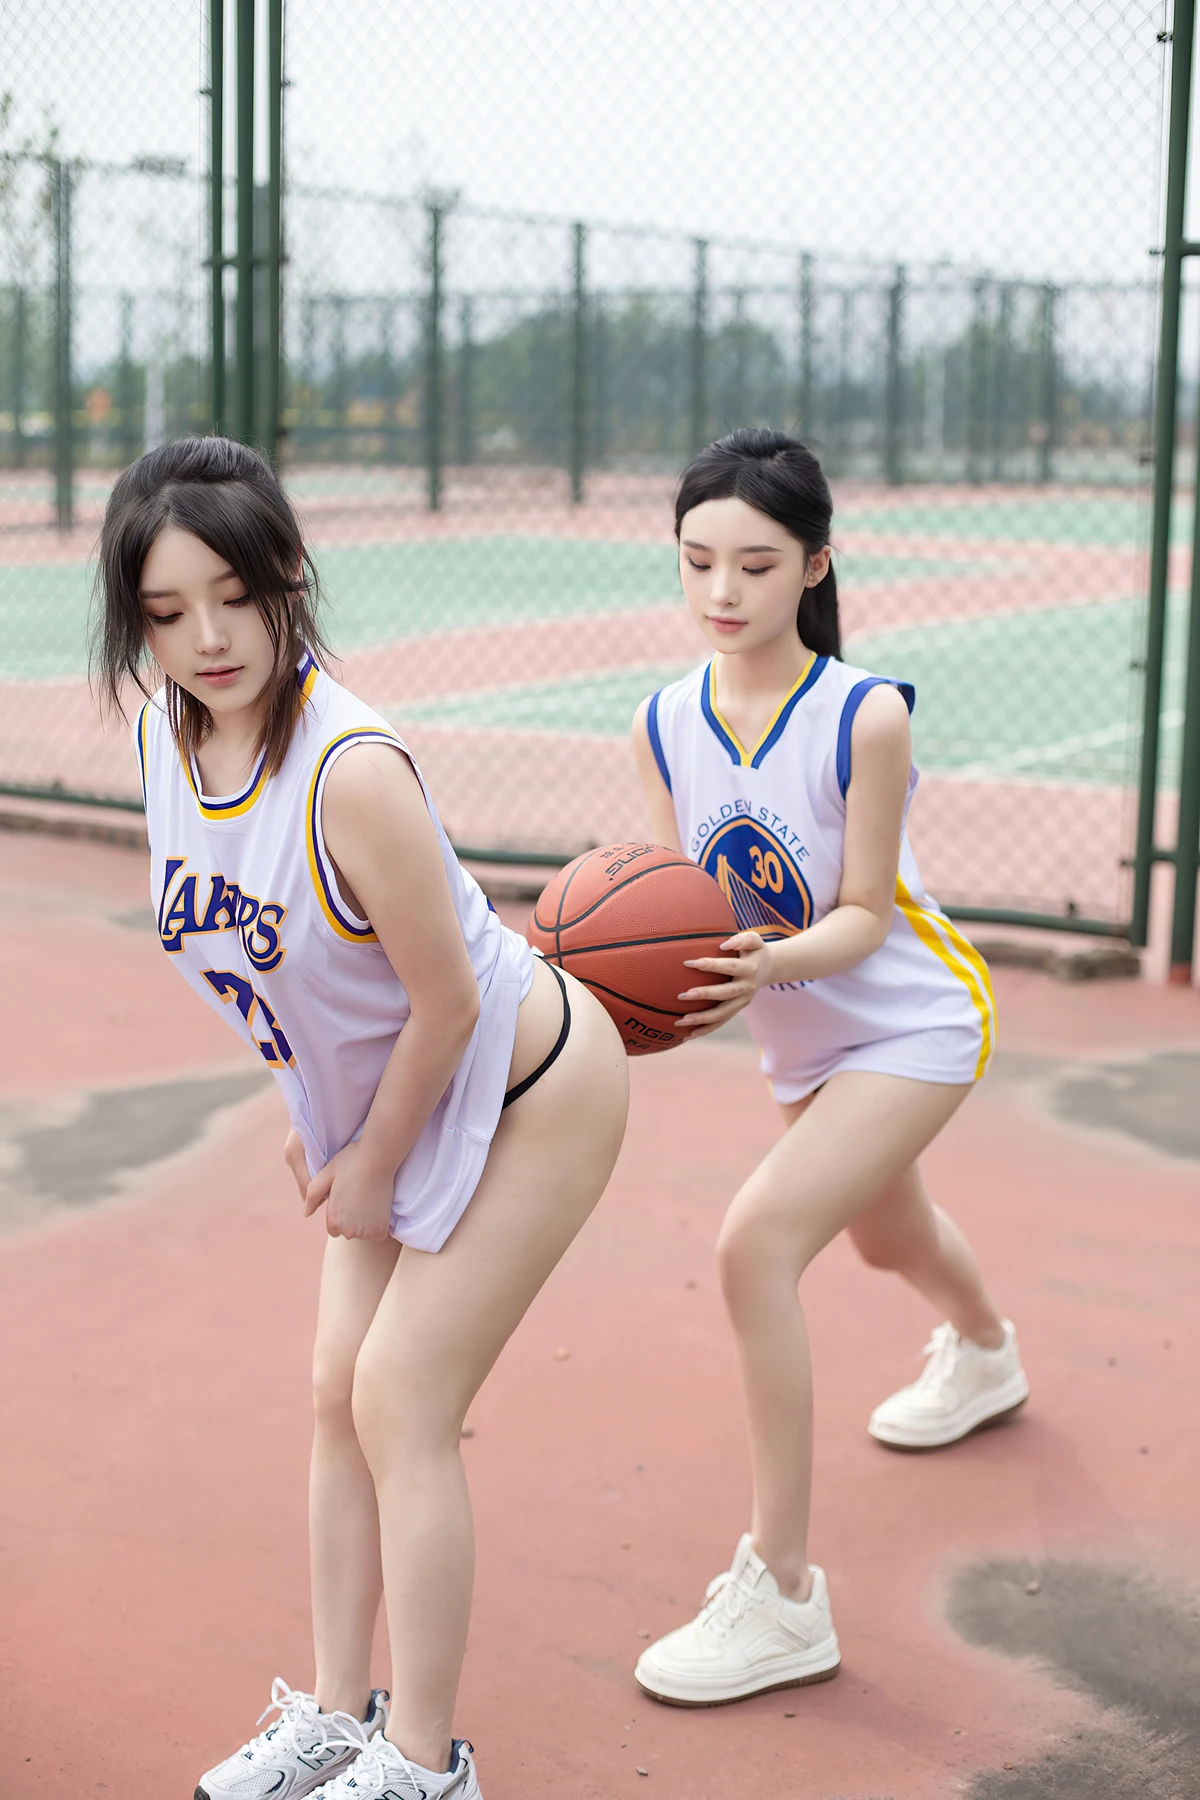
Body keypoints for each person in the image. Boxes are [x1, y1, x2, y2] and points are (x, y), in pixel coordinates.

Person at [93, 436, 628, 1799]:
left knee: (399, 1398)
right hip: (391, 1098)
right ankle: (336, 1715)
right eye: (167, 612)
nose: (209, 639)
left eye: (234, 595)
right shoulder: (167, 737)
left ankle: (426, 1761)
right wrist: (312, 1107)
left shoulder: (352, 771)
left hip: (529, 1090)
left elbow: (444, 1003)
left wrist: (374, 1151)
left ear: (288, 573)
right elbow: (272, 961)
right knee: (335, 1392)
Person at [629, 427, 1027, 1707]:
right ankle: (986, 1347)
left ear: (814, 565)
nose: (722, 590)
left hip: (914, 1018)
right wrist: (648, 988)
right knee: (885, 1235)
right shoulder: (661, 723)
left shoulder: (865, 714)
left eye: (755, 565)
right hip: (801, 1035)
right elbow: (676, 908)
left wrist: (758, 966)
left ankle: (785, 1592)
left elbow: (861, 916)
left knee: (757, 1244)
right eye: (697, 560)